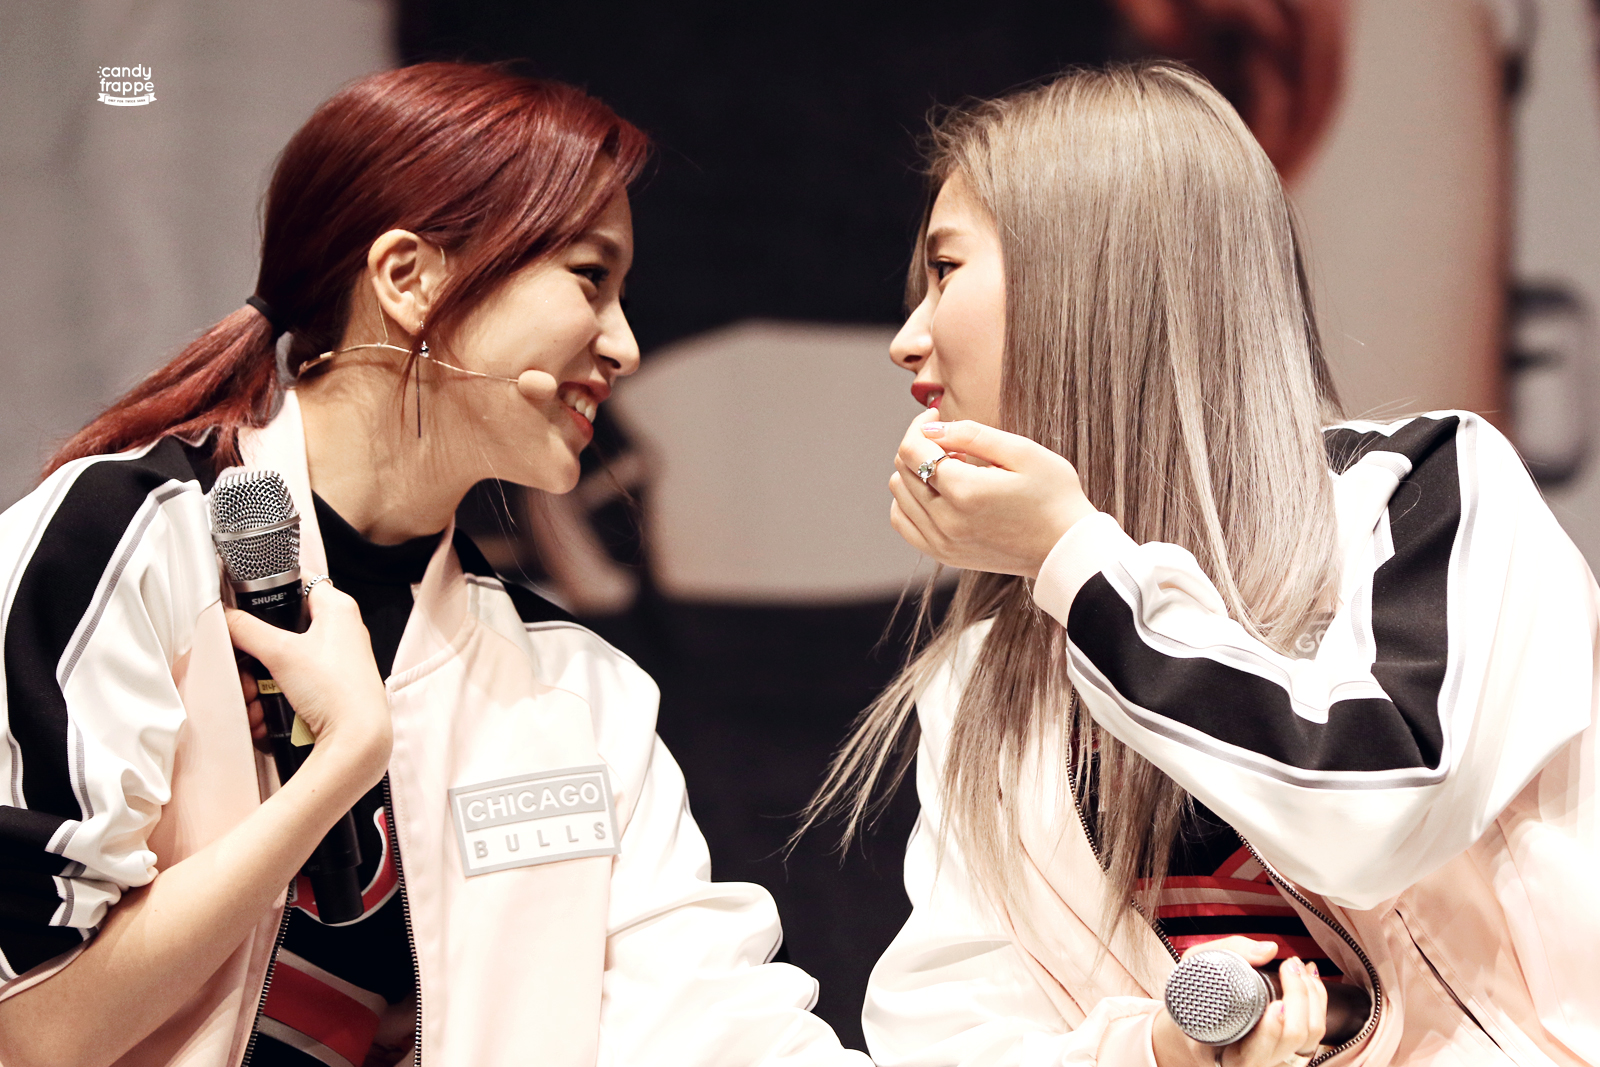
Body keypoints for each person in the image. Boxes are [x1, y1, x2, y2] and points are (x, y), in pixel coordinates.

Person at [0, 63, 868, 1067]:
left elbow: (712, 1019)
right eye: (589, 278)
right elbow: (34, 1025)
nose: (625, 345)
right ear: (409, 277)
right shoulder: (128, 539)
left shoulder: (571, 683)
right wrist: (338, 768)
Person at [810, 63, 1600, 1067]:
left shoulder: (1423, 493)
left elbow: (1377, 806)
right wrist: (1157, 1049)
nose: (907, 338)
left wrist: (1073, 559)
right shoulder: (985, 678)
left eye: (945, 270)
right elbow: (945, 1036)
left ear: (1088, 278)